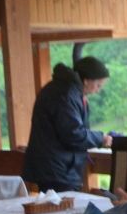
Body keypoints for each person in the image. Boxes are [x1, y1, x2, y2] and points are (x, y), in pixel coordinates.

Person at [20, 55, 108, 194]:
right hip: (58, 170)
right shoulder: (66, 95)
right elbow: (72, 135)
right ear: (86, 80)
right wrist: (100, 138)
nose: (98, 91)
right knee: (62, 213)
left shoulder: (61, 89)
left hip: (55, 168)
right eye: (98, 86)